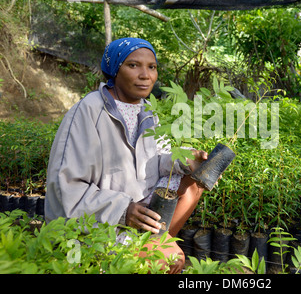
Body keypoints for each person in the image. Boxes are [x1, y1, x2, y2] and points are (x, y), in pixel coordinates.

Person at [45, 37, 208, 273]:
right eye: (133, 65)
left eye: (151, 67)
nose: (146, 75)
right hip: (97, 223)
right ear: (114, 70)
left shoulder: (147, 110)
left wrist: (185, 161)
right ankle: (139, 255)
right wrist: (123, 210)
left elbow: (155, 160)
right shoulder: (89, 111)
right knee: (169, 259)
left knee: (193, 184)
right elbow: (66, 188)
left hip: (137, 211)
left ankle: (154, 243)